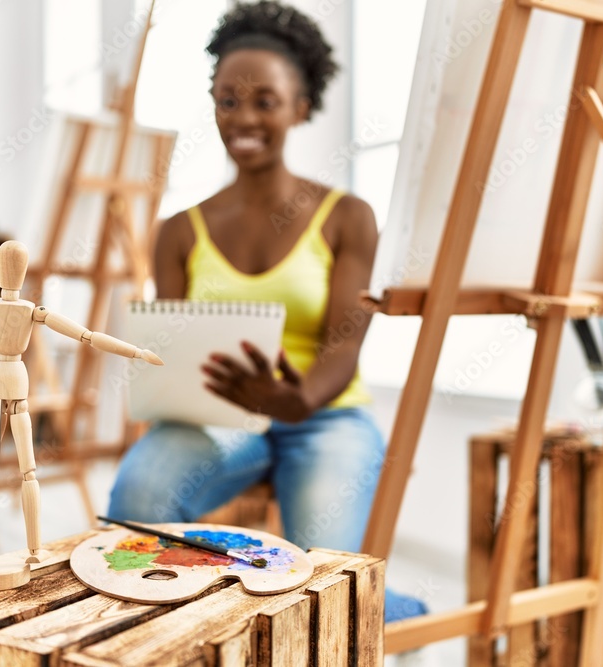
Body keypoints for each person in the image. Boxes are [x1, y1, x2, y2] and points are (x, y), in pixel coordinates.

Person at [108, 0, 426, 623]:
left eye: (265, 101)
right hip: (222, 414)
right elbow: (170, 352)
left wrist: (296, 399)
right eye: (227, 100)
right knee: (136, 501)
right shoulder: (178, 231)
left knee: (321, 573)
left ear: (301, 107)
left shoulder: (348, 217)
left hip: (325, 415)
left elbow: (344, 345)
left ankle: (400, 613)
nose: (243, 117)